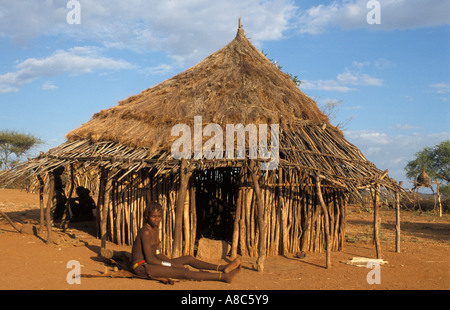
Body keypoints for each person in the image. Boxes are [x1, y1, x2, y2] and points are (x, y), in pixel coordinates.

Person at [131, 201, 241, 283]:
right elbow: (150, 259)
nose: (157, 219)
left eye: (159, 217)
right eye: (153, 217)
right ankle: (224, 277)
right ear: (147, 216)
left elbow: (158, 253)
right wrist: (171, 265)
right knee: (184, 272)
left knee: (188, 258)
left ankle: (222, 268)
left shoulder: (155, 229)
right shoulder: (145, 232)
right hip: (142, 267)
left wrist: (171, 264)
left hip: (153, 262)